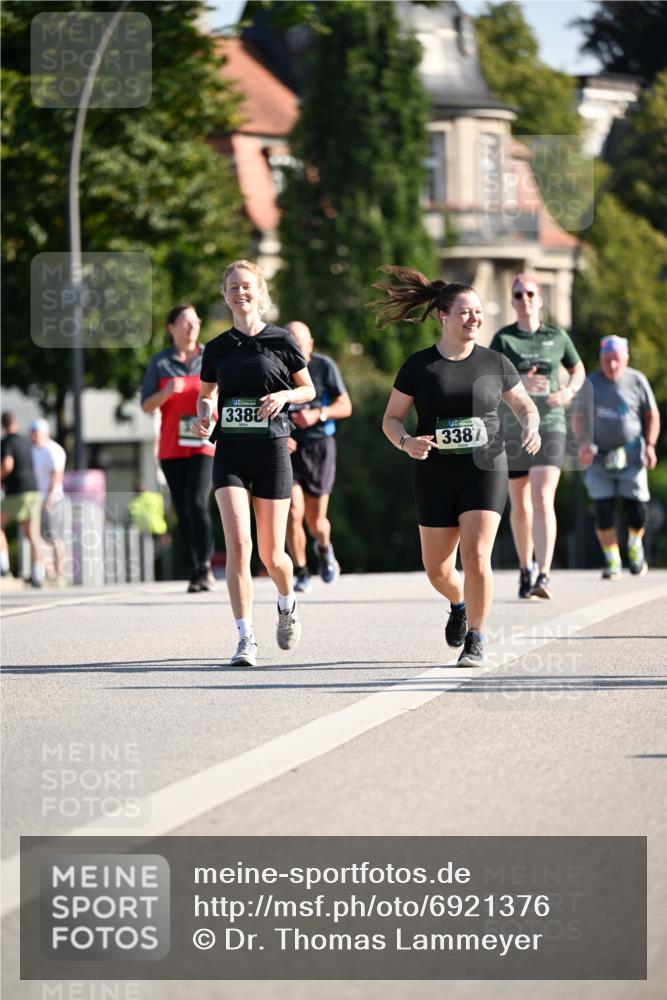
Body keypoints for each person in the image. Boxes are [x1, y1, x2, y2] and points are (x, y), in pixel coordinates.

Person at [378, 266, 540, 667]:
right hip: (434, 472)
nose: (474, 318)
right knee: (437, 570)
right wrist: (406, 442)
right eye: (466, 312)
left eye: (479, 312)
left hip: (485, 467)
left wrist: (530, 425)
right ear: (443, 316)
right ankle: (459, 603)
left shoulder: (495, 362)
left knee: (477, 556)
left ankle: (477, 637)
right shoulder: (419, 366)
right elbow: (391, 419)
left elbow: (523, 405)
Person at [191, 260, 315, 667]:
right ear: (224, 295)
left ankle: (287, 601)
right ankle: (245, 638)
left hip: (272, 450)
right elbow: (206, 393)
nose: (240, 293)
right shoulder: (217, 347)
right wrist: (204, 412)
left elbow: (308, 390)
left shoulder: (281, 340)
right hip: (230, 450)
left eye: (247, 286)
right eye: (232, 287)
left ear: (260, 292)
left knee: (272, 554)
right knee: (239, 546)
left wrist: (284, 396)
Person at [490, 274, 586, 600]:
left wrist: (569, 392)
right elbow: (489, 379)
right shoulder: (503, 339)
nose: (525, 299)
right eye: (518, 295)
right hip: (514, 427)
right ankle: (525, 567)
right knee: (520, 503)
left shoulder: (556, 335)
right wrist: (519, 385)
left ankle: (544, 574)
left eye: (530, 293)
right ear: (512, 301)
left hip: (551, 423)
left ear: (540, 298)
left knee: (542, 497)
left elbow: (578, 370)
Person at [141, 304, 216, 593]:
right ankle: (195, 567)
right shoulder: (160, 363)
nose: (192, 327)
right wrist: (165, 392)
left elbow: (224, 392)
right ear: (171, 328)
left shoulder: (210, 356)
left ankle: (205, 565)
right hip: (172, 447)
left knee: (197, 501)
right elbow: (146, 405)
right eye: (185, 322)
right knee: (183, 509)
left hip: (204, 442)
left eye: (195, 322)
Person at [575, 335, 660, 579]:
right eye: (606, 360)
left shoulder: (637, 380)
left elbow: (652, 414)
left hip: (632, 455)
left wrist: (650, 446)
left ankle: (634, 544)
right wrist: (583, 443)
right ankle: (612, 559)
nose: (611, 365)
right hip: (599, 457)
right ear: (600, 359)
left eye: (616, 359)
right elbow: (578, 417)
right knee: (603, 509)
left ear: (626, 359)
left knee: (637, 510)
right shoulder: (591, 383)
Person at [283, 320, 352, 593]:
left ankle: (324, 548)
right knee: (292, 512)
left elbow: (345, 406)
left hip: (319, 447)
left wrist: (317, 415)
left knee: (316, 522)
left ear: (310, 345)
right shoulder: (276, 368)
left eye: (299, 344)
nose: (295, 350)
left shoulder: (324, 366)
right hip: (286, 448)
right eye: (290, 343)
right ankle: (300, 571)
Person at [0, 412, 44, 587]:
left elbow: (8, 464)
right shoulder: (27, 442)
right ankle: (38, 575)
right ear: (16, 423)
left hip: (16, 492)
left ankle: (3, 566)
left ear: (3, 425)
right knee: (33, 535)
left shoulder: (6, 442)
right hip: (33, 491)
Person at [30, 418, 67, 584]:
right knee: (39, 537)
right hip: (36, 499)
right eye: (33, 434)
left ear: (45, 434)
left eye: (37, 434)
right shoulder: (33, 450)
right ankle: (46, 573)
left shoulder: (54, 450)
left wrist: (49, 498)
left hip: (53, 499)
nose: (34, 437)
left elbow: (57, 475)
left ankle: (60, 575)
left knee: (54, 537)